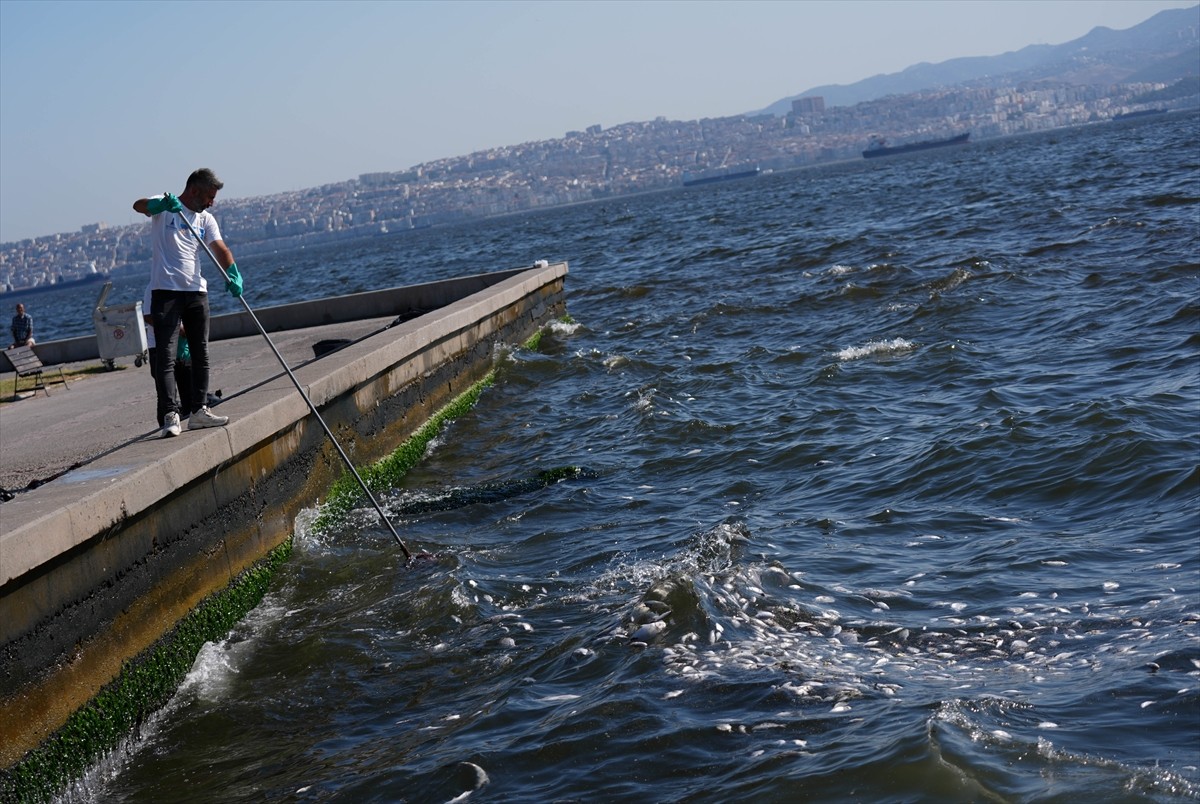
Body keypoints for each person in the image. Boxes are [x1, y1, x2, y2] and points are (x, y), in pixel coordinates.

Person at [134, 168, 244, 438]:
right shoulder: (165, 206)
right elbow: (139, 206)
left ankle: (199, 411)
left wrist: (232, 272)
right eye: (208, 196)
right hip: (166, 292)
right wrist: (159, 205)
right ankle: (171, 414)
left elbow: (219, 248)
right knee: (166, 356)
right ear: (194, 190)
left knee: (201, 354)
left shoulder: (206, 219)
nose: (211, 202)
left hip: (196, 292)